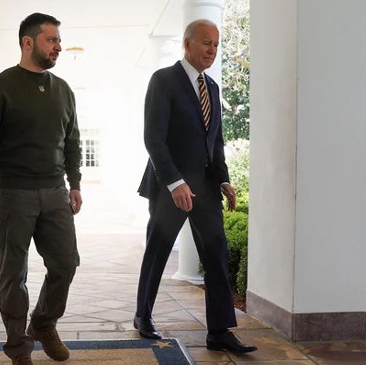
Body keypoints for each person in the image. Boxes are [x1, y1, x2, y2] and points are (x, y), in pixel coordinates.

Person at [134, 19, 257, 354]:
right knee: (157, 252)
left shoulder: (213, 89)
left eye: (216, 45)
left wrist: (224, 178)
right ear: (187, 44)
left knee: (216, 255)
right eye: (206, 43)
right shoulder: (163, 81)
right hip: (168, 186)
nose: (211, 50)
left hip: (205, 188)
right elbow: (154, 139)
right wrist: (174, 182)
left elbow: (215, 140)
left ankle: (219, 332)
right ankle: (142, 316)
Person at [0, 12, 82, 365]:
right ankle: (18, 346)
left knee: (65, 264)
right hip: (13, 193)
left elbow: (73, 141)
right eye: (52, 40)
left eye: (59, 40)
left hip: (55, 192)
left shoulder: (63, 90)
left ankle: (43, 324)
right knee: (13, 274)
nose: (58, 47)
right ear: (28, 42)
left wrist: (74, 184)